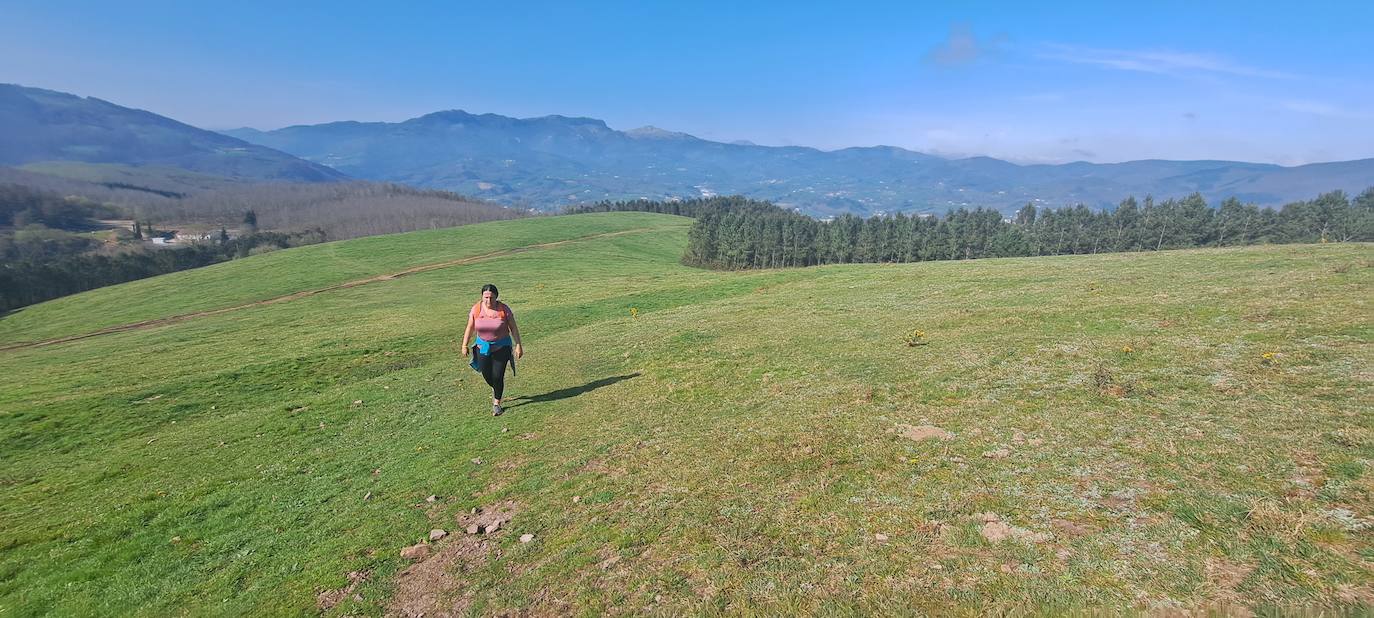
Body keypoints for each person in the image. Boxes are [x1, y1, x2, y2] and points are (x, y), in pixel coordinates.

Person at [461, 284, 523, 416]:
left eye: (491, 297)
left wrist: (518, 345)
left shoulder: (503, 309)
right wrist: (464, 345)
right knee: (486, 374)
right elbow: (470, 328)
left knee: (497, 375)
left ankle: (497, 403)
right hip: (482, 347)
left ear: (496, 297)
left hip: (502, 347)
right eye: (486, 297)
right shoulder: (476, 309)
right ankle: (497, 388)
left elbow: (513, 328)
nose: (488, 301)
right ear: (482, 297)